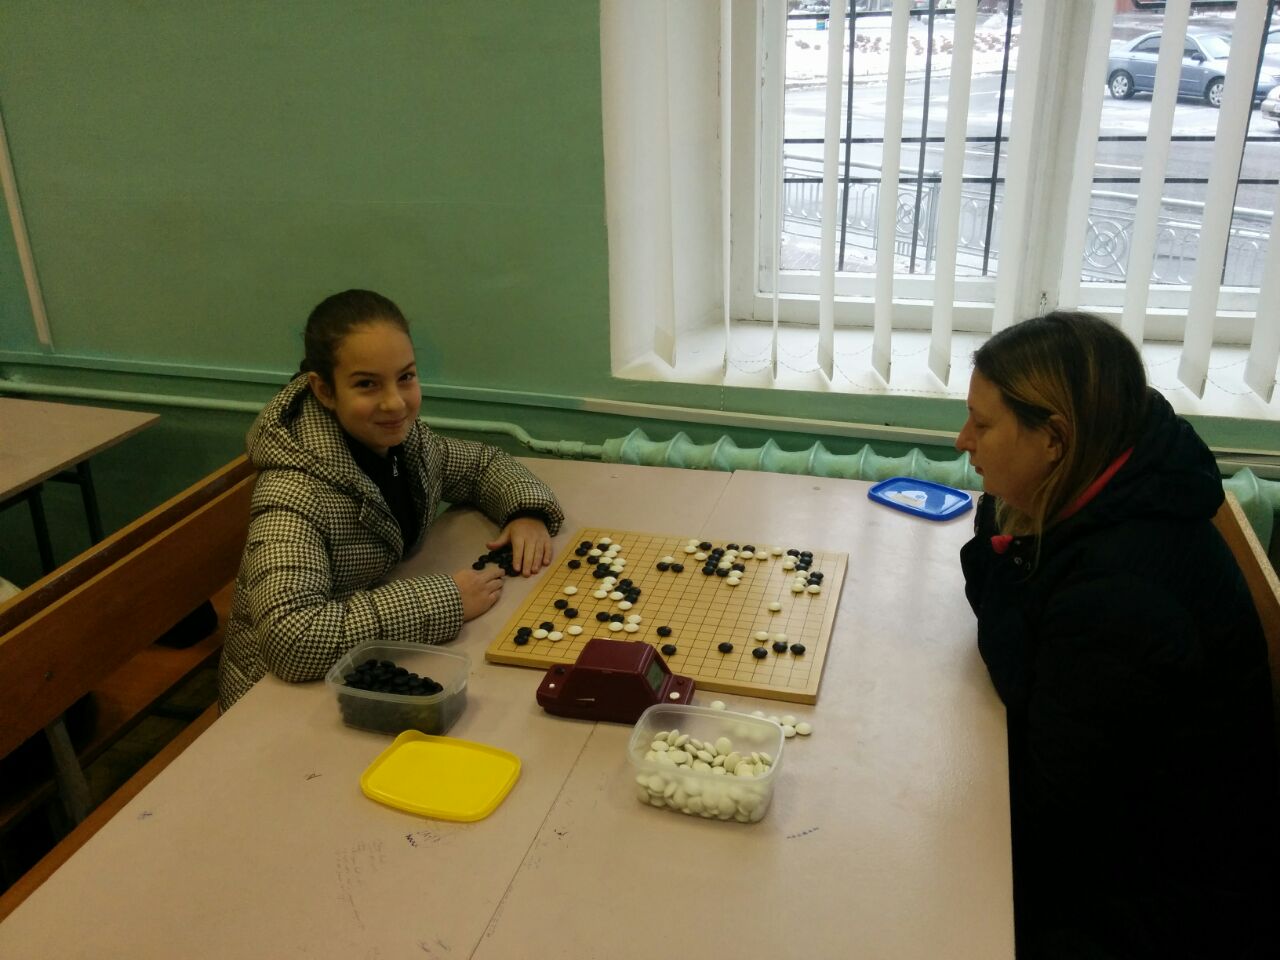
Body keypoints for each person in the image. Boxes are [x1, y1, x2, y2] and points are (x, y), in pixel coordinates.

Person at [955, 311, 1278, 959]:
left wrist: (1008, 544)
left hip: (1154, 904)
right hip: (1125, 838)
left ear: (1055, 440)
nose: (963, 441)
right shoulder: (1113, 477)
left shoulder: (1121, 598)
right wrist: (1009, 520)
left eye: (983, 426)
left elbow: (1051, 811)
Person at [217, 290, 563, 709]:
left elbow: (481, 465)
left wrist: (525, 511)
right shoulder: (294, 493)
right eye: (367, 384)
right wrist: (447, 599)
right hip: (271, 703)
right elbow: (293, 640)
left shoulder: (405, 443)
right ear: (324, 390)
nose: (395, 402)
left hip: (357, 668)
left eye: (406, 377)